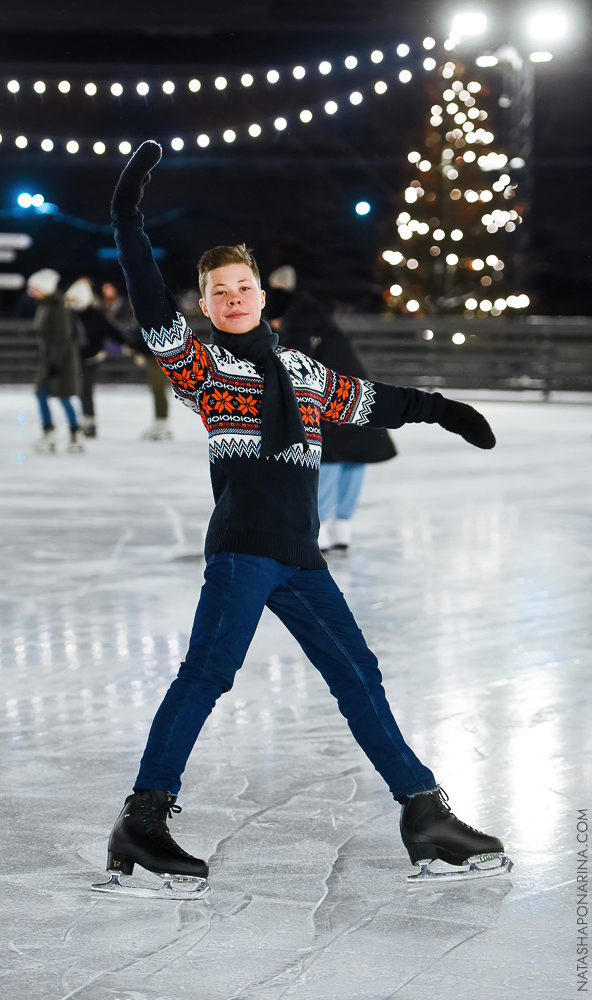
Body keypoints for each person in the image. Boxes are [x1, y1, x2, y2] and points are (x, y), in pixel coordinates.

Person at [92, 141, 512, 902]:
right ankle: (142, 820)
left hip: (299, 556)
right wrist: (127, 220)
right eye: (217, 291)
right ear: (206, 302)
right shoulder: (202, 368)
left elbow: (376, 399)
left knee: (359, 677)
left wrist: (444, 409)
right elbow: (152, 305)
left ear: (260, 293)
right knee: (207, 675)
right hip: (244, 549)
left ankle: (423, 812)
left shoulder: (304, 375)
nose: (231, 299)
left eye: (241, 286)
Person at [268, 265, 397, 552]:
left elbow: (294, 368)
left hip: (333, 400)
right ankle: (343, 527)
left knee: (331, 456)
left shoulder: (298, 324)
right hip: (360, 395)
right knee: (354, 454)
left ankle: (323, 526)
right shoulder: (319, 319)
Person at [101, 281, 173, 441]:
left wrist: (136, 348)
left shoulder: (153, 313)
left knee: (158, 388)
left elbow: (150, 337)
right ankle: (160, 421)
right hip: (154, 357)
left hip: (160, 358)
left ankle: (163, 423)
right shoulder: (146, 314)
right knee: (156, 389)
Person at [65, 277, 130, 438]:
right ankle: (86, 420)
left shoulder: (94, 314)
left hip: (92, 357)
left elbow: (109, 330)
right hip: (76, 358)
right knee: (80, 389)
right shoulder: (70, 315)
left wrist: (127, 343)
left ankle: (89, 421)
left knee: (85, 389)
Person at [28, 268, 83, 454]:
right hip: (49, 359)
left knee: (64, 397)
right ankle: (48, 432)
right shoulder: (44, 305)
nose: (31, 291)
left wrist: (54, 362)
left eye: (34, 287)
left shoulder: (58, 307)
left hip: (61, 361)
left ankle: (76, 433)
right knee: (42, 395)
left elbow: (62, 338)